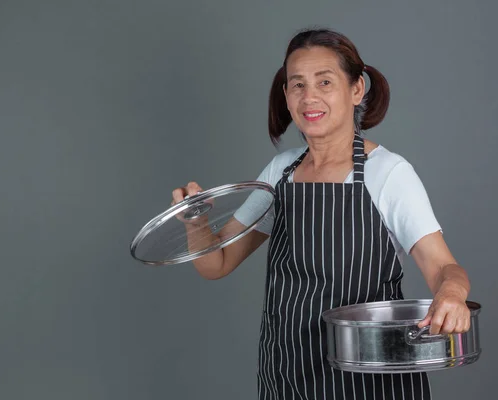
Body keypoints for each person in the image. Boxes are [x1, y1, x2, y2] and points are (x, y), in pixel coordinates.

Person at [171, 28, 472, 400]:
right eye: (297, 85)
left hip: (370, 379)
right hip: (287, 371)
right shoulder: (279, 173)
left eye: (324, 82)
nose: (309, 96)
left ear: (356, 89)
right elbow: (216, 263)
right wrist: (196, 221)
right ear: (286, 96)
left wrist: (453, 294)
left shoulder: (388, 173)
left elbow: (443, 267)